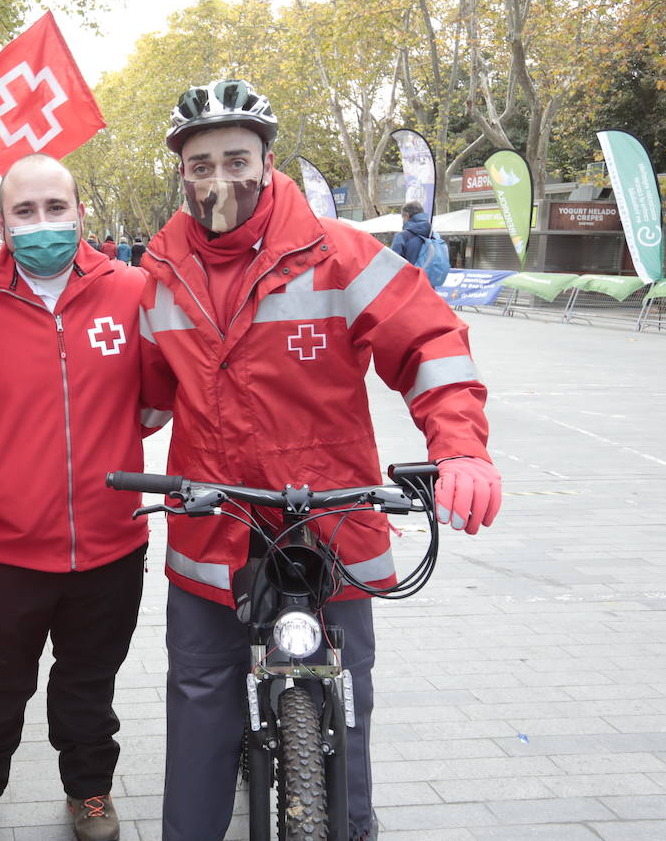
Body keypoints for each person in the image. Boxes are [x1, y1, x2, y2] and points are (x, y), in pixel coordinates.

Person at [138, 80, 501, 841]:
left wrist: (461, 448)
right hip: (215, 519)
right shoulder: (160, 272)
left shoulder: (338, 255)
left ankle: (351, 828)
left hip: (328, 515)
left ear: (268, 162)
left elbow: (430, 340)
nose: (218, 180)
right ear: (181, 173)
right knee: (201, 695)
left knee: (347, 697)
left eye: (236, 160)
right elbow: (138, 396)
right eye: (200, 165)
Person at [0, 154, 169, 841]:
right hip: (7, 545)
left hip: (111, 540)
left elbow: (157, 402)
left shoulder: (133, 291)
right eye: (25, 212)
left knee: (87, 686)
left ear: (79, 213)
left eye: (54, 208)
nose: (42, 224)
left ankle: (91, 793)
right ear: (3, 223)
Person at [391, 201, 431, 265]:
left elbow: (392, 264)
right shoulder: (433, 235)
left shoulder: (402, 237)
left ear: (406, 216)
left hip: (409, 274)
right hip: (428, 274)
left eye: (403, 217)